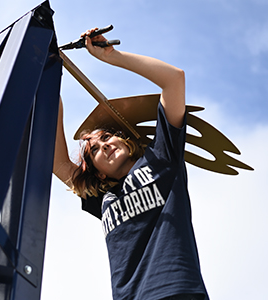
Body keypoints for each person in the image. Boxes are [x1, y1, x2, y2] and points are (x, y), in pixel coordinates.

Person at [53, 28, 209, 300]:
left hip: (176, 291)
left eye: (106, 137)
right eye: (95, 151)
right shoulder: (101, 196)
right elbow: (57, 163)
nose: (104, 145)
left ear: (124, 140)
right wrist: (51, 79)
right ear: (98, 174)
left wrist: (111, 57)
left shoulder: (162, 156)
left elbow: (174, 79)